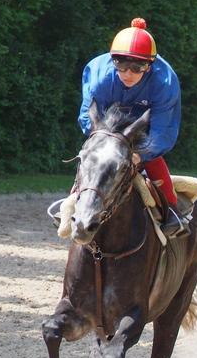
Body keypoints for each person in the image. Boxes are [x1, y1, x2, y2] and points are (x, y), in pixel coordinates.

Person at [78, 18, 187, 237]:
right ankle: (72, 204)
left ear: (150, 65)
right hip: (108, 130)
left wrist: (140, 154)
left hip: (145, 130)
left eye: (138, 67)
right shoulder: (99, 76)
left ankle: (172, 211)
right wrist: (101, 141)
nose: (129, 73)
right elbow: (88, 116)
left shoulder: (164, 82)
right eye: (121, 64)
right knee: (92, 161)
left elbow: (163, 129)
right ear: (112, 60)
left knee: (154, 161)